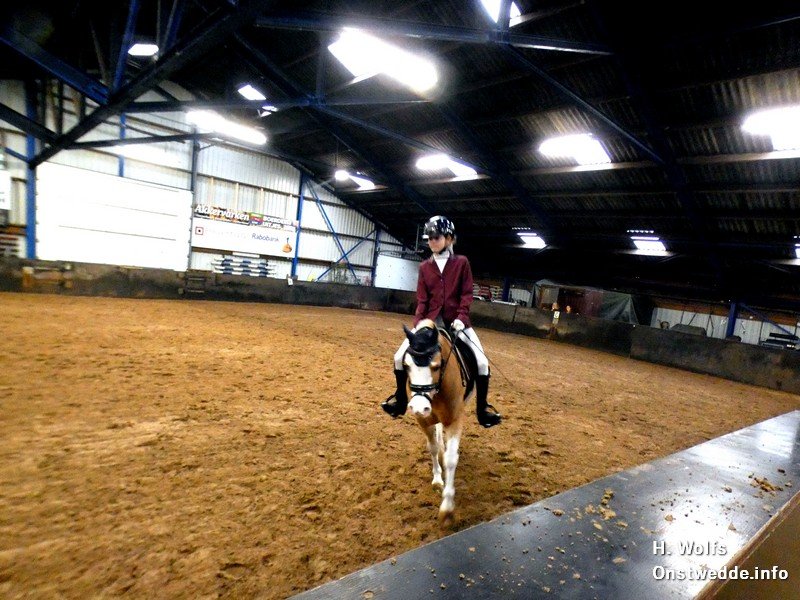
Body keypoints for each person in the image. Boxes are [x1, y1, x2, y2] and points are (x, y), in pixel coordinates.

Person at [381, 216, 502, 428]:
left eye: (436, 238)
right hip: (429, 322)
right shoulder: (424, 267)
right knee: (399, 357)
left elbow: (466, 295)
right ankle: (400, 400)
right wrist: (419, 323)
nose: (432, 242)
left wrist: (461, 318)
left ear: (449, 238)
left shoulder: (462, 263)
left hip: (457, 322)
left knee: (482, 363)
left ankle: (482, 410)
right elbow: (422, 300)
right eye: (429, 238)